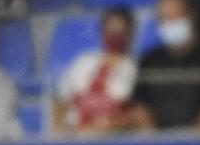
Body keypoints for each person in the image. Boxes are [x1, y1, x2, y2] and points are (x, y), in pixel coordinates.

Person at [131, 0, 200, 130]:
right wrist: (153, 140)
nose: (170, 25)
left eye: (175, 18)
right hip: (159, 143)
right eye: (164, 20)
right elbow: (140, 105)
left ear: (191, 15)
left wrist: (195, 141)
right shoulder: (149, 60)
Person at [53, 7, 143, 135]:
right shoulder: (82, 62)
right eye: (111, 29)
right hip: (74, 136)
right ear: (103, 30)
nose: (115, 35)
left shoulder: (135, 68)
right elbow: (60, 98)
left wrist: (113, 125)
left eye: (120, 30)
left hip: (113, 138)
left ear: (129, 33)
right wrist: (58, 132)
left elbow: (137, 115)